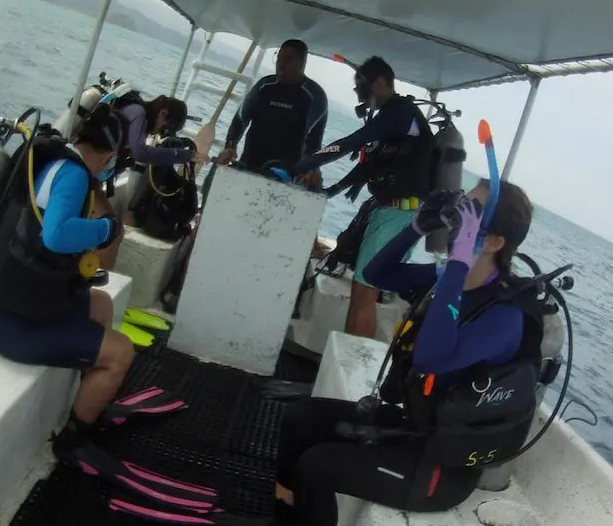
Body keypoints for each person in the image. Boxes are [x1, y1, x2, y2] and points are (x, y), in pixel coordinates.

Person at [270, 179, 537, 526]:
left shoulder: (504, 316)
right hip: (411, 427)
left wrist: (458, 266)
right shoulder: (448, 277)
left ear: (494, 241)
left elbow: (431, 358)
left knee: (317, 466)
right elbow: (377, 273)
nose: (456, 220)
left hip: (440, 471)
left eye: (470, 215)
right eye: (460, 207)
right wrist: (416, 227)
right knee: (300, 419)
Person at [0, 107, 135, 453]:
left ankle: (91, 397)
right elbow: (57, 236)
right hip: (16, 327)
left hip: (8, 305)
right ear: (110, 155)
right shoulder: (74, 175)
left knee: (102, 304)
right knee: (122, 353)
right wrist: (107, 228)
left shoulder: (57, 162)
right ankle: (74, 443)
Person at [288, 56, 434, 337]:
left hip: (399, 215)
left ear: (378, 83)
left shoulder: (401, 114)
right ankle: (346, 354)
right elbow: (367, 167)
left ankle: (352, 357)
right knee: (362, 287)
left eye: (360, 88)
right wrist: (332, 190)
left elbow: (350, 143)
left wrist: (302, 165)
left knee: (366, 290)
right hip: (390, 212)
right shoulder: (389, 118)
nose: (358, 96)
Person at [94, 94, 204, 268]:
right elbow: (140, 152)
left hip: (95, 177)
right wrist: (184, 155)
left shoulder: (142, 121)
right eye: (164, 127)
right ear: (163, 113)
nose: (159, 132)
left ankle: (98, 274)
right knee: (112, 232)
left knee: (115, 232)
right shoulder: (138, 112)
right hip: (89, 175)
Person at [216, 39, 327, 189]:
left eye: (287, 60)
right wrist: (230, 146)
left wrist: (312, 168)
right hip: (249, 163)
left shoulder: (314, 96)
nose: (280, 65)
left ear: (302, 63)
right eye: (278, 58)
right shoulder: (264, 86)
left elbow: (313, 141)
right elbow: (241, 118)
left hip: (285, 176)